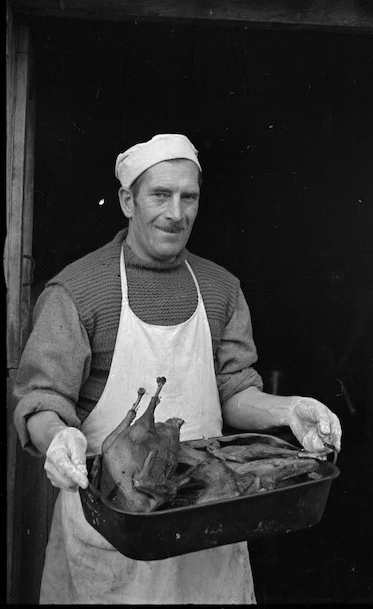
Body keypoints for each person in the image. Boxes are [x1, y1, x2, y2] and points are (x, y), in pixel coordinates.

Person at [13, 133, 342, 605]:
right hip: (112, 535)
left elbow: (233, 389)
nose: (176, 212)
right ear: (127, 200)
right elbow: (41, 399)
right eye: (160, 195)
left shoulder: (221, 288)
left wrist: (289, 410)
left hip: (206, 524)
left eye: (189, 197)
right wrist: (55, 437)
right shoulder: (78, 291)